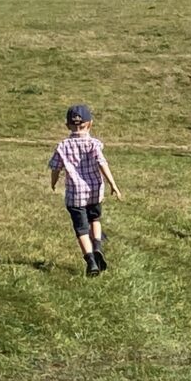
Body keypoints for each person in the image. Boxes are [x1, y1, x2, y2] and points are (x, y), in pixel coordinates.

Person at [48, 104, 122, 277]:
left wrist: (53, 182)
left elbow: (55, 169)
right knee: (95, 219)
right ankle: (97, 246)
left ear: (67, 125)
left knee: (81, 229)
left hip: (75, 195)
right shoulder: (94, 144)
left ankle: (91, 261)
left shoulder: (63, 146)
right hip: (94, 192)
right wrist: (113, 185)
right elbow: (102, 164)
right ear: (90, 124)